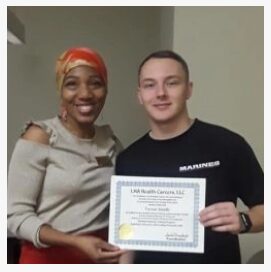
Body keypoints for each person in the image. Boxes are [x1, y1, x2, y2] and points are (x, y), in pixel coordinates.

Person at [115, 50, 264, 264]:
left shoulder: (227, 144)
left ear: (188, 89)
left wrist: (244, 220)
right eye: (150, 85)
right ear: (139, 95)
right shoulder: (128, 159)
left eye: (172, 83)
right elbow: (127, 238)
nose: (160, 93)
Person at [7, 47, 125, 264]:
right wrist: (75, 242)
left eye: (95, 83)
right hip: (47, 259)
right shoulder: (40, 136)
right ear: (61, 90)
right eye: (72, 84)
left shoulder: (110, 141)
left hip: (100, 258)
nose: (85, 94)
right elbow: (14, 216)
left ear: (106, 90)